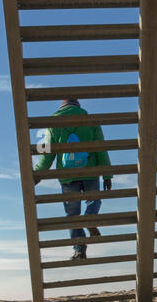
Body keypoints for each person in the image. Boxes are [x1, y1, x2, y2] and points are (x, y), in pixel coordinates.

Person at [33, 98, 112, 260]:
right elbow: (101, 149)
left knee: (72, 215)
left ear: (62, 106)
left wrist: (38, 174)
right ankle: (90, 218)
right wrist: (107, 175)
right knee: (93, 200)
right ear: (78, 106)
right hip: (90, 171)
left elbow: (47, 154)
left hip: (67, 176)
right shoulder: (90, 120)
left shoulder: (52, 123)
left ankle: (79, 250)